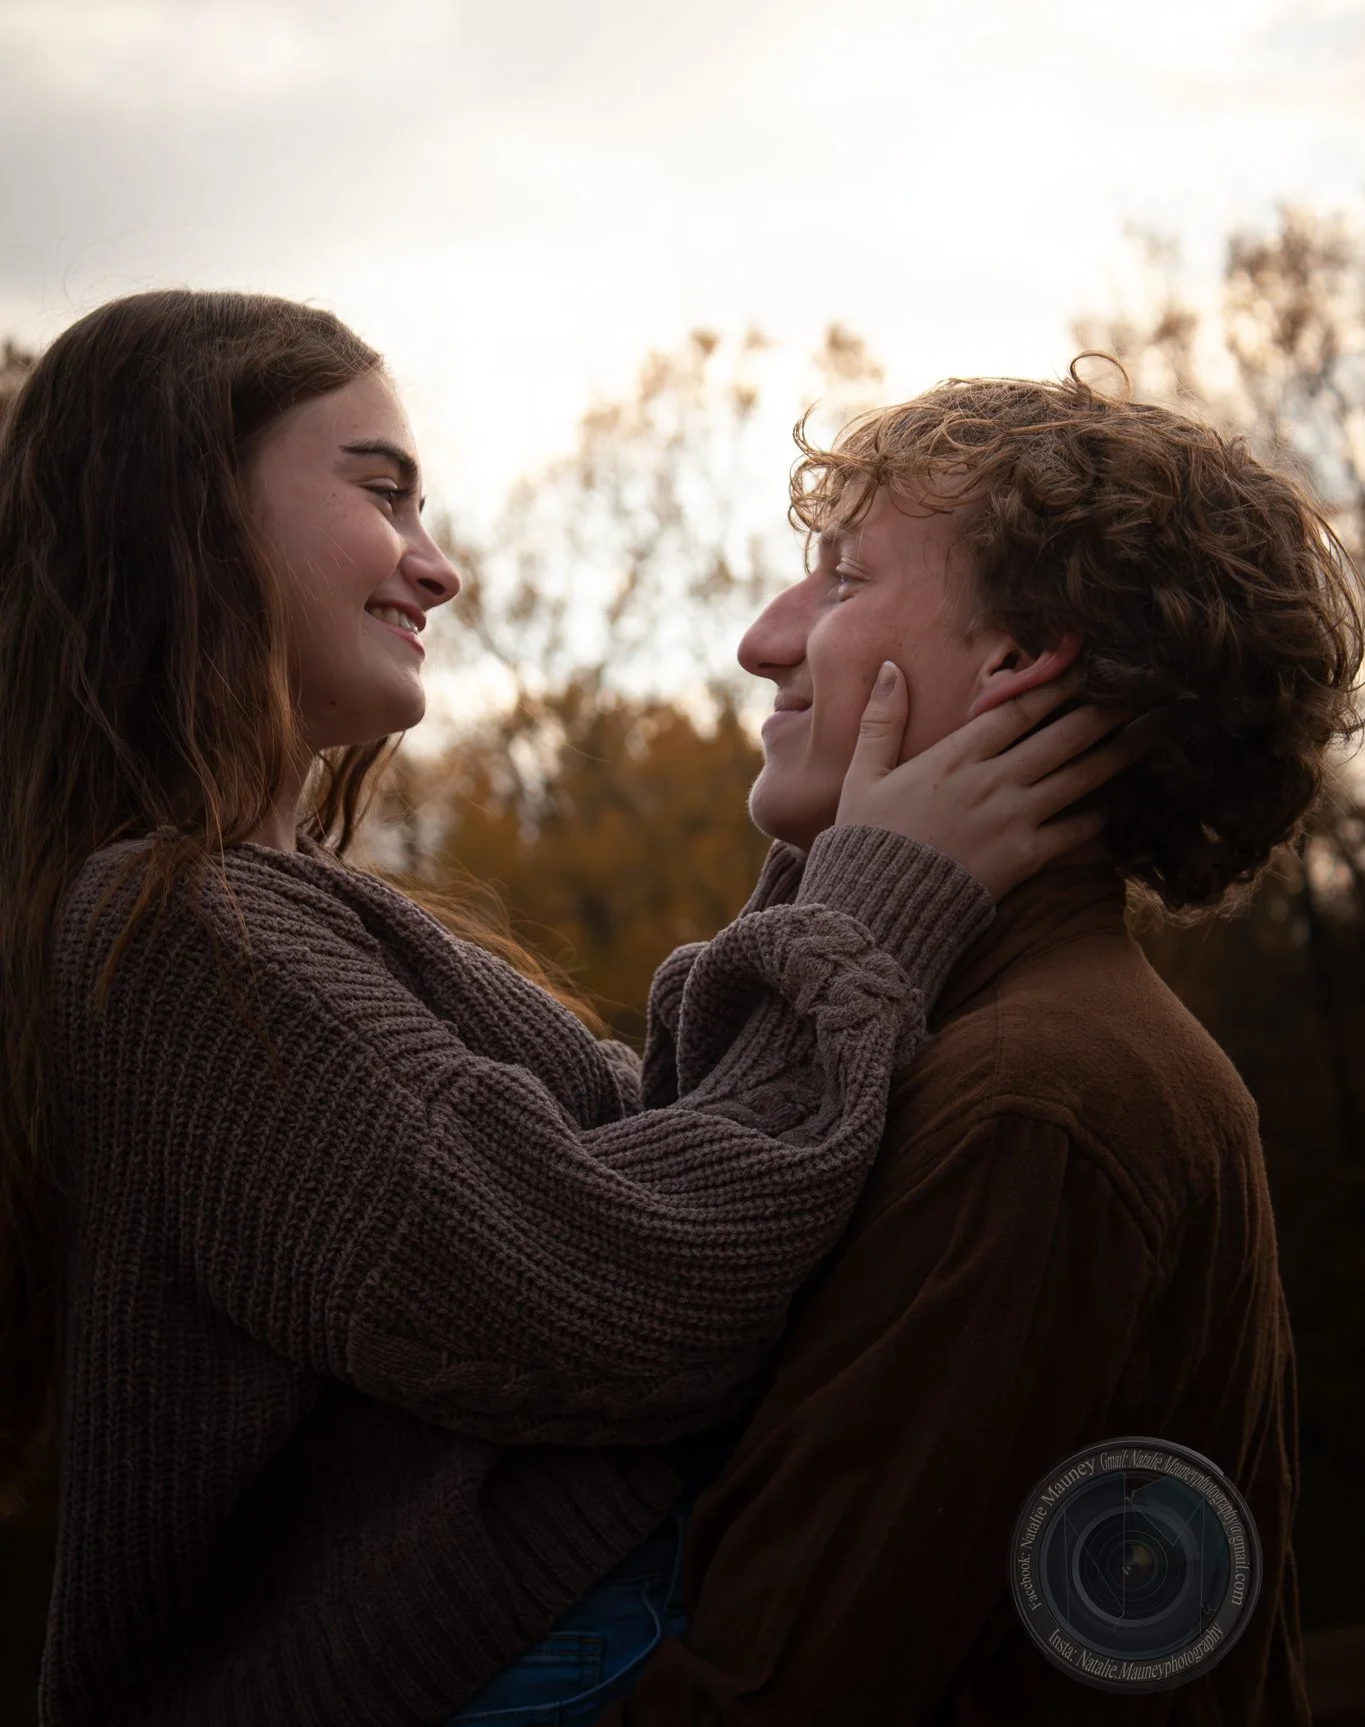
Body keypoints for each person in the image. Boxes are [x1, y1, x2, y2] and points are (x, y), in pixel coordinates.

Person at [0, 294, 1142, 1727]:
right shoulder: (170, 936)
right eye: (381, 492)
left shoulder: (286, 915)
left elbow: (663, 1146)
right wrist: (875, 897)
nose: (439, 568)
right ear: (185, 505)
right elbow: (622, 1285)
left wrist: (843, 850)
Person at [593, 370, 1365, 1727]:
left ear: (1018, 659)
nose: (761, 643)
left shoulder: (1040, 1100)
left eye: (840, 586)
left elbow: (770, 1691)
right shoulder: (981, 1043)